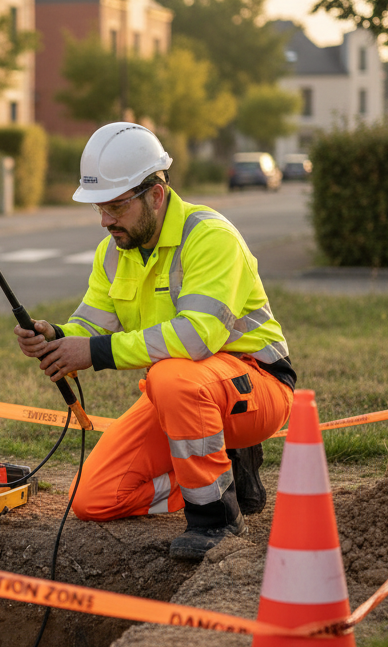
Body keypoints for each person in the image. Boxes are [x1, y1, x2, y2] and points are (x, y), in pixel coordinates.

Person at [15, 122, 295, 560]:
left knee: (172, 377)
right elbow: (91, 325)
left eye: (115, 207)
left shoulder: (210, 238)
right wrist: (58, 337)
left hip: (257, 388)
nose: (106, 220)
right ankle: (229, 476)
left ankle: (216, 519)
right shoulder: (113, 251)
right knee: (94, 499)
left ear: (156, 195)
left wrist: (91, 352)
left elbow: (197, 338)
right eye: (98, 209)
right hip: (180, 396)